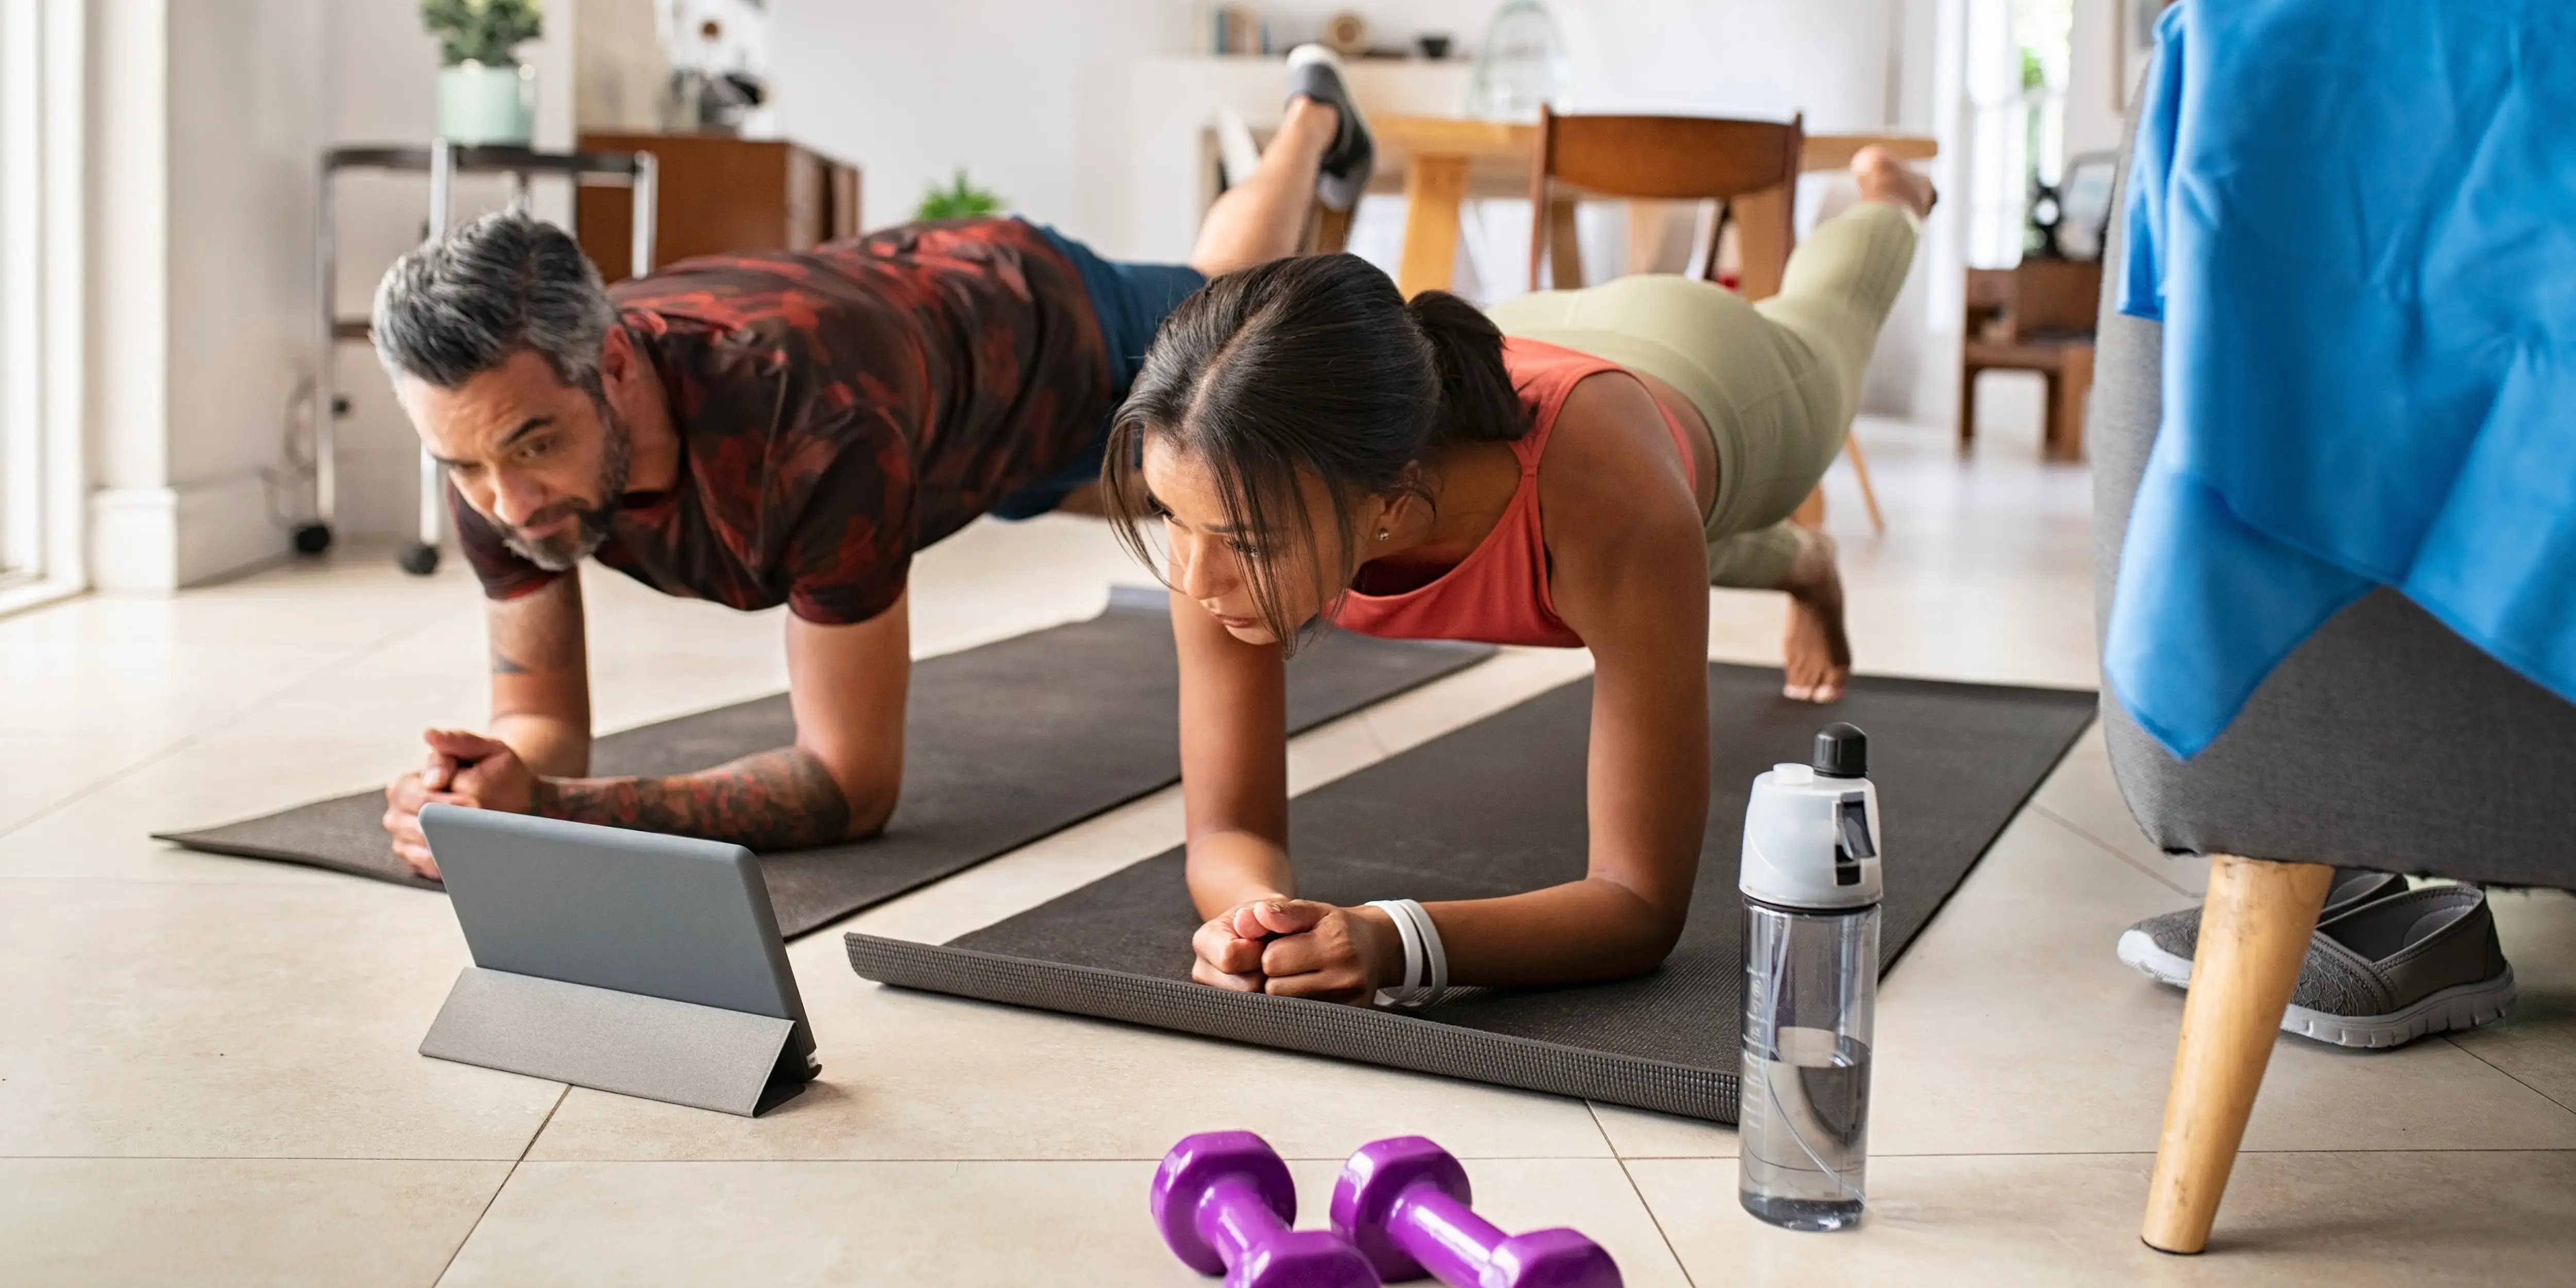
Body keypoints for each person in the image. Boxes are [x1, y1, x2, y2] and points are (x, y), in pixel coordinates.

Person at [372, 50, 1379, 878]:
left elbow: (850, 785)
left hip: (1042, 335)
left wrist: (552, 811)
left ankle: (1312, 119)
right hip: (926, 422)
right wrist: (486, 787)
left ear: (617, 363)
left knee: (1232, 301)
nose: (505, 501)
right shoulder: (496, 435)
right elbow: (539, 718)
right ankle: (1309, 125)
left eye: (534, 447)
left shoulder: (809, 428)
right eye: (461, 465)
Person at [1103, 149, 1936, 1004]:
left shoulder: (1616, 504)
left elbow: (1638, 904)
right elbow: (1228, 829)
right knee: (1634, 573)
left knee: (1826, 325)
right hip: (1520, 345)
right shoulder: (1230, 482)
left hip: (1708, 369)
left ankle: (1894, 200)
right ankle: (1801, 566)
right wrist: (1261, 922)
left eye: (1245, 539)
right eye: (1172, 518)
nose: (1197, 577)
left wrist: (1396, 942)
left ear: (1386, 503)